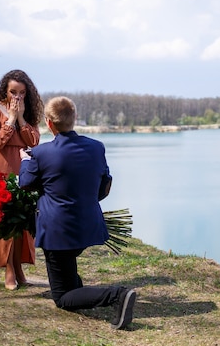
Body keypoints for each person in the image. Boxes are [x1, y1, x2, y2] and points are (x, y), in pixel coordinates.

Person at [18, 96, 136, 330]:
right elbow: (104, 185)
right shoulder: (96, 147)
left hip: (58, 231)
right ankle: (83, 290)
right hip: (88, 226)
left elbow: (25, 183)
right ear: (74, 119)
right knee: (68, 275)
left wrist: (25, 160)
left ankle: (118, 296)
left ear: (49, 123)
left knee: (62, 298)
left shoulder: (40, 153)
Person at [0, 69, 43, 290]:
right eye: (12, 92)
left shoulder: (30, 112)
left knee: (24, 220)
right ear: (5, 90)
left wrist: (20, 118)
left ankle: (19, 266)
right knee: (5, 219)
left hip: (25, 168)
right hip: (1, 168)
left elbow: (34, 142)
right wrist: (9, 118)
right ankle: (9, 268)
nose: (16, 97)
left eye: (21, 92)